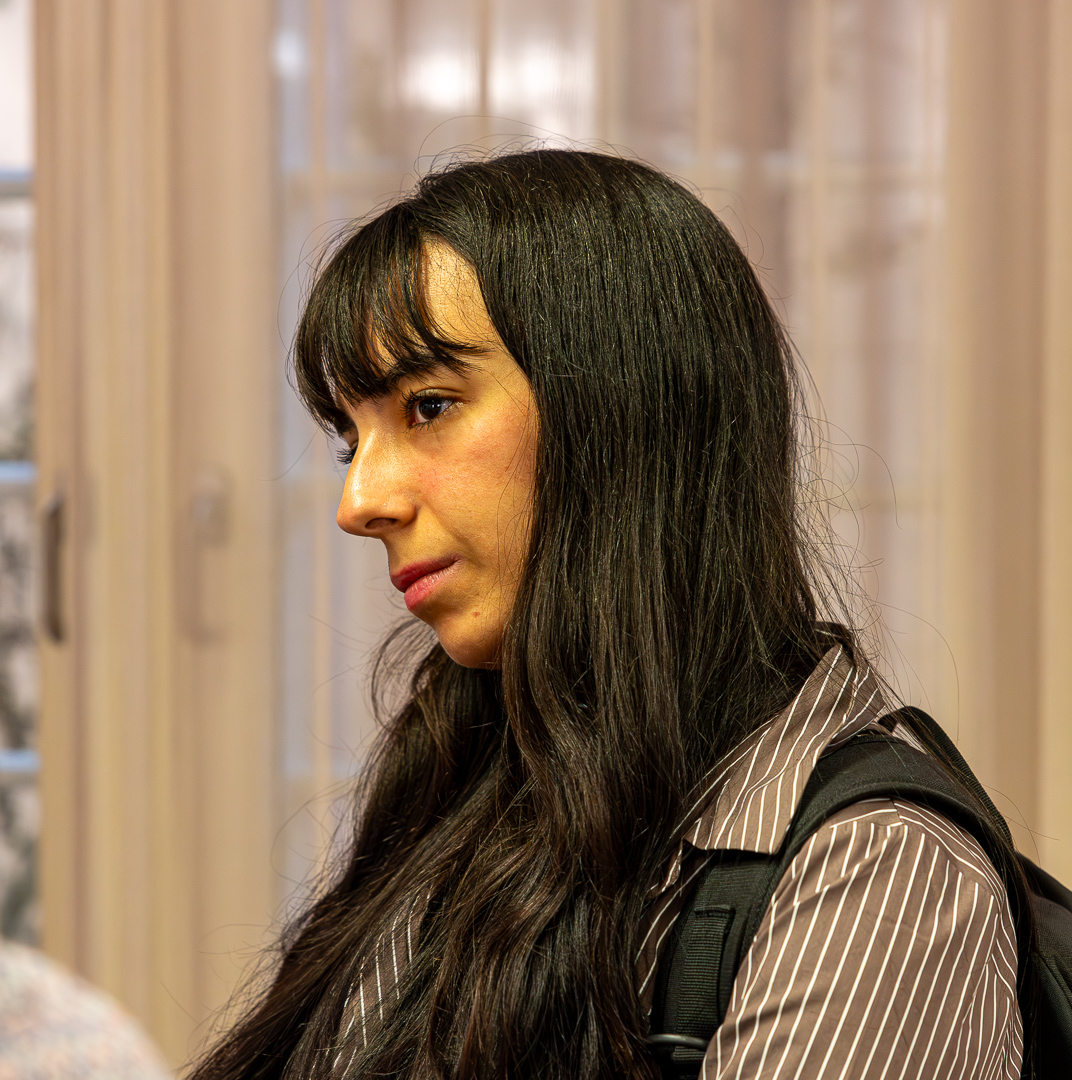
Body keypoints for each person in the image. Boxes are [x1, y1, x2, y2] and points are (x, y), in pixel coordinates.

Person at [191, 150, 1023, 1079]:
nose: (359, 502)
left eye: (427, 406)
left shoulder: (878, 874)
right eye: (352, 440)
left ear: (623, 416)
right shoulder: (455, 787)